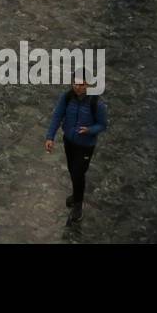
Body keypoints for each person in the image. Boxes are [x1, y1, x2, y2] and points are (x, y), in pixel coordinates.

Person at [45, 76, 108, 224]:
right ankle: (76, 195)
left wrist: (90, 130)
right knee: (72, 170)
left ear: (87, 84)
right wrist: (50, 137)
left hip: (85, 146)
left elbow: (103, 125)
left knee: (79, 173)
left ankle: (78, 206)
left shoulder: (96, 103)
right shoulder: (67, 97)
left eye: (81, 84)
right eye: (75, 83)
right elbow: (57, 116)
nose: (77, 87)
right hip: (69, 141)